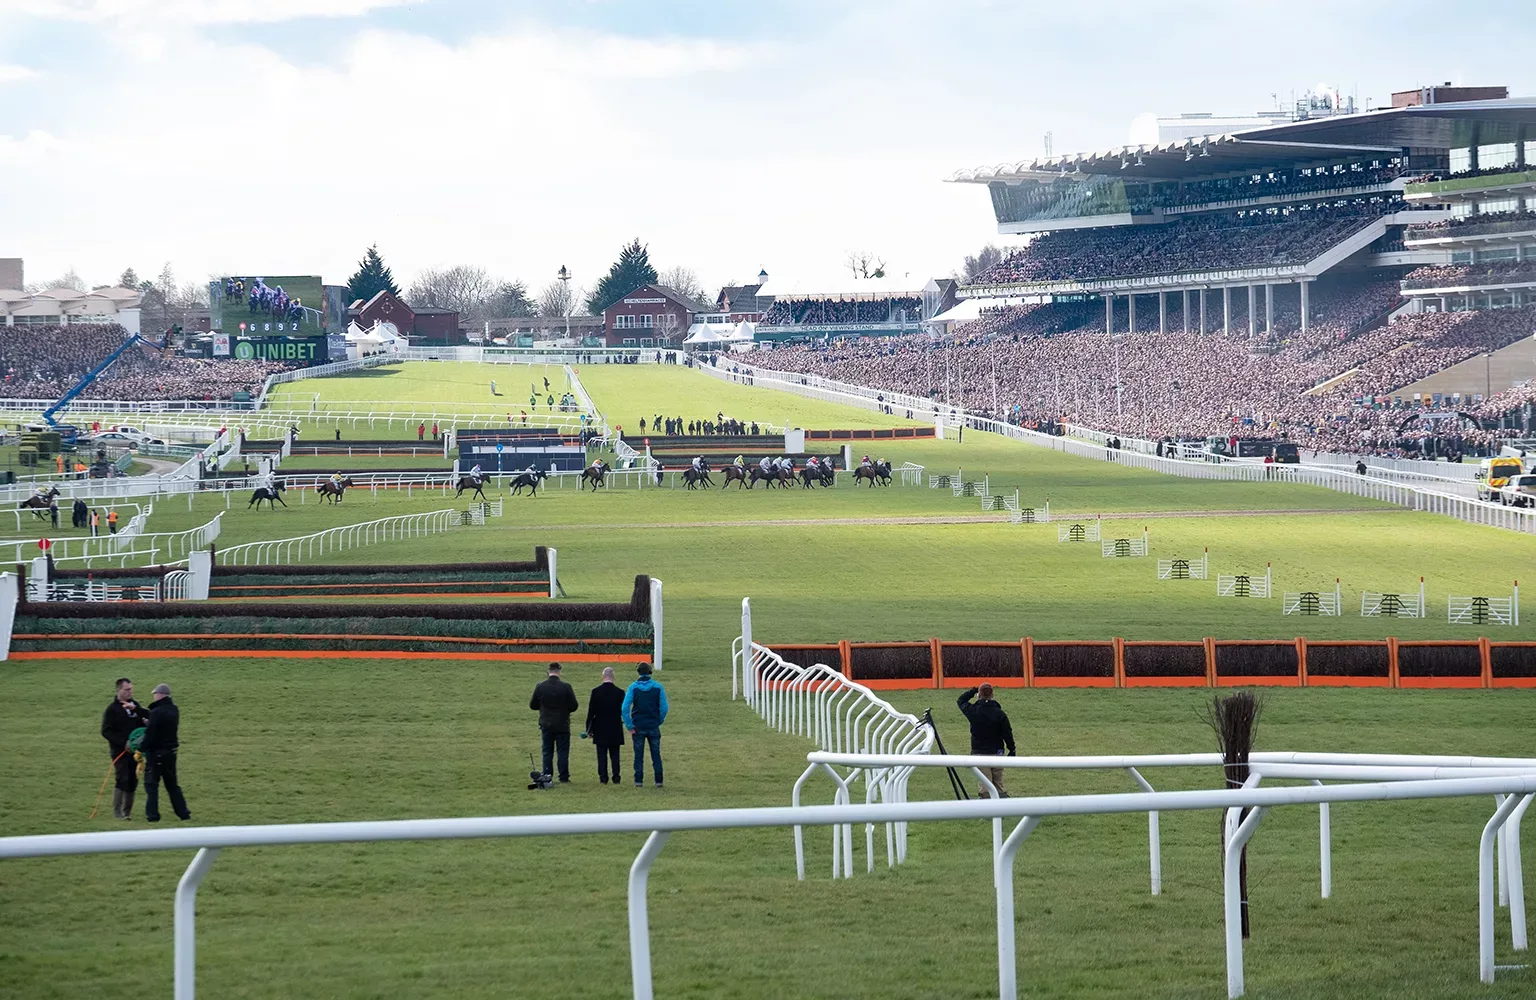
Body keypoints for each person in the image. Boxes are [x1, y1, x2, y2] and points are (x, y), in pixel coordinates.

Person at [101, 677, 150, 820]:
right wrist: (124, 743)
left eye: (131, 689)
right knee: (122, 778)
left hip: (136, 751)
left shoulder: (135, 705)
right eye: (126, 690)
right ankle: (118, 813)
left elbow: (141, 723)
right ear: (118, 690)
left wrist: (146, 724)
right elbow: (106, 731)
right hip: (120, 751)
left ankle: (127, 812)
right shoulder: (112, 709)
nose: (130, 692)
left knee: (133, 780)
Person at [141, 683, 191, 822]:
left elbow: (151, 734)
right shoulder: (174, 710)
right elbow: (162, 726)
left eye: (155, 694)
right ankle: (183, 813)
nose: (154, 697)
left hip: (156, 753)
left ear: (160, 695)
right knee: (172, 785)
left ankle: (152, 815)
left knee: (151, 786)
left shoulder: (157, 713)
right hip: (170, 753)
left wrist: (140, 749)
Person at [957, 684, 1015, 798]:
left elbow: (961, 700)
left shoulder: (973, 711)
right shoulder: (1000, 713)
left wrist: (972, 690)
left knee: (985, 783)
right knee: (999, 782)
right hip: (997, 752)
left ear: (979, 695)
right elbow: (1007, 733)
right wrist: (1012, 749)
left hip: (979, 752)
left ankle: (987, 808)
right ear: (992, 694)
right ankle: (1003, 807)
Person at [529, 662, 578, 783]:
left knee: (547, 750)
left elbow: (533, 705)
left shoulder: (540, 686)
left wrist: (543, 708)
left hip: (546, 723)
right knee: (562, 751)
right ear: (559, 672)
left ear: (548, 671)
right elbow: (574, 705)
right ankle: (564, 776)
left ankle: (547, 774)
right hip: (562, 723)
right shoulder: (566, 687)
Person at [622, 661, 668, 788]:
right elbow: (664, 707)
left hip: (638, 726)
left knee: (638, 755)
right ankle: (659, 780)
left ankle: (638, 780)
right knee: (656, 754)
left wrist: (629, 725)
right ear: (650, 672)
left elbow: (625, 708)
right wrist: (659, 720)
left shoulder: (633, 688)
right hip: (653, 724)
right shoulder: (658, 687)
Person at [585, 667, 626, 785]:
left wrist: (589, 728)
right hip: (615, 726)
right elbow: (623, 711)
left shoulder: (596, 692)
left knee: (601, 754)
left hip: (600, 726)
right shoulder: (620, 692)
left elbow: (591, 712)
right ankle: (616, 777)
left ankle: (603, 778)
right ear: (613, 677)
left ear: (603, 676)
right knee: (615, 754)